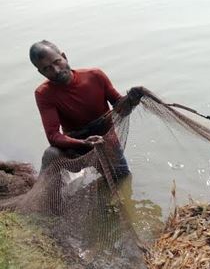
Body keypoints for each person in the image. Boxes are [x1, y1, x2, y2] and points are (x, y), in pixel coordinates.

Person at [29, 40, 141, 174]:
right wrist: (83, 143)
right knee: (52, 154)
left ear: (64, 56)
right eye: (47, 68)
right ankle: (55, 191)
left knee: (122, 178)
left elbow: (120, 109)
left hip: (105, 141)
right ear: (41, 72)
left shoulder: (95, 76)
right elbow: (53, 135)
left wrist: (131, 101)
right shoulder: (43, 93)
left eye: (57, 62)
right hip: (76, 147)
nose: (56, 70)